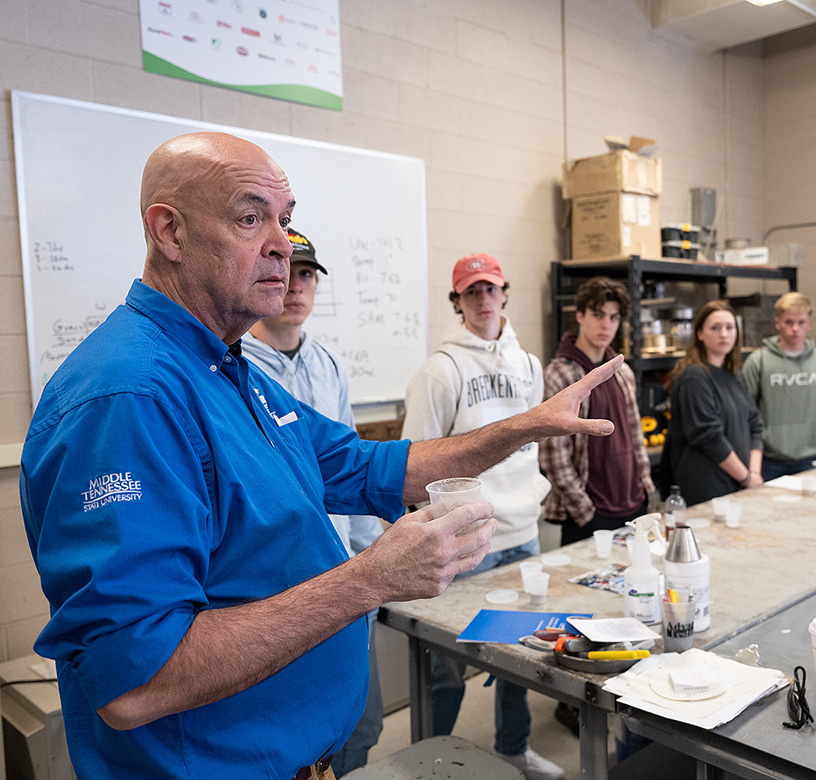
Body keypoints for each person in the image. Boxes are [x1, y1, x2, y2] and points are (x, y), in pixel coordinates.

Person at [19, 132, 620, 780]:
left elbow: (368, 467)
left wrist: (524, 426)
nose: (282, 243)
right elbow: (136, 680)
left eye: (287, 218)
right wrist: (369, 580)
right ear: (169, 231)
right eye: (251, 218)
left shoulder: (230, 373)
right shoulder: (128, 398)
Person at [401, 254, 562, 780]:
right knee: (446, 667)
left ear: (505, 293)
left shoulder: (530, 364)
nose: (483, 299)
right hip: (466, 542)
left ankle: (513, 747)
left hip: (521, 532)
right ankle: (431, 765)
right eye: (472, 292)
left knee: (519, 655)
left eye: (491, 288)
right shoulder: (439, 371)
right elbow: (415, 458)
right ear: (458, 301)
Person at [241, 227, 385, 777]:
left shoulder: (328, 365)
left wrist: (373, 557)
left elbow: (350, 468)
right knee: (295, 745)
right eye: (289, 271)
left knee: (360, 725)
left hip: (348, 577)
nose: (296, 286)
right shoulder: (235, 369)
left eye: (307, 275)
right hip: (281, 591)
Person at [540, 277, 654, 546]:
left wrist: (646, 487)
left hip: (633, 503)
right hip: (590, 514)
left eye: (614, 317)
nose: (606, 325)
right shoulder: (560, 374)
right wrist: (585, 512)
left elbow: (636, 435)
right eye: (598, 314)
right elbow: (554, 456)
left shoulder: (622, 371)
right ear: (579, 315)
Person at [742, 292, 816, 480]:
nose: (795, 329)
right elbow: (745, 411)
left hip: (811, 457)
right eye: (788, 322)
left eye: (801, 322)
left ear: (809, 324)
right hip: (768, 460)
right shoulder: (758, 361)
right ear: (777, 323)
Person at [663, 300, 764, 506]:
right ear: (700, 334)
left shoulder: (735, 374)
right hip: (706, 489)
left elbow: (755, 425)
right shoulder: (694, 376)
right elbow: (709, 437)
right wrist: (746, 478)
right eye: (715, 328)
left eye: (730, 327)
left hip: (738, 483)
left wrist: (753, 474)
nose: (724, 334)